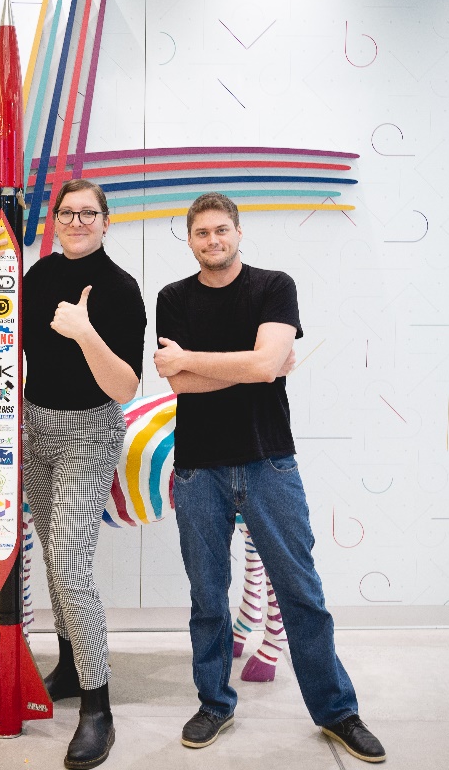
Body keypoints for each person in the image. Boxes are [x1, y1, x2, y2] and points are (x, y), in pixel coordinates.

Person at [153, 192, 386, 763]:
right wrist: (254, 364)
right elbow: (183, 385)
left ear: (238, 232)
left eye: (222, 230)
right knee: (208, 597)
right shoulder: (172, 297)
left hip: (268, 462)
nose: (213, 240)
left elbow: (251, 367)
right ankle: (214, 703)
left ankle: (337, 712)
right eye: (202, 233)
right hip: (199, 469)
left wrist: (200, 359)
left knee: (301, 591)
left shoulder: (273, 286)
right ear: (190, 240)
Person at [0, 179, 146, 770]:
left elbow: (125, 389)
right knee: (52, 559)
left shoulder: (122, 290)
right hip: (36, 430)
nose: (77, 221)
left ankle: (97, 706)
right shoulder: (39, 275)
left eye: (88, 213)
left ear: (106, 221)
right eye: (67, 213)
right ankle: (72, 665)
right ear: (54, 220)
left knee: (70, 560)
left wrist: (84, 331)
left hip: (90, 433)